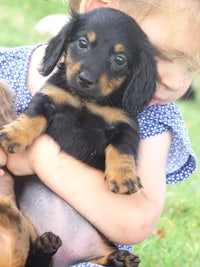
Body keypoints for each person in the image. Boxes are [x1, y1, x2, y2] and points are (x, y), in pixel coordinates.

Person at [0, 0, 199, 266]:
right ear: (95, 10)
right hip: (18, 233)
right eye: (160, 54)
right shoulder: (8, 68)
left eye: (193, 67)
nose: (177, 82)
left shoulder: (153, 117)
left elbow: (137, 221)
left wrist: (38, 156)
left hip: (89, 254)